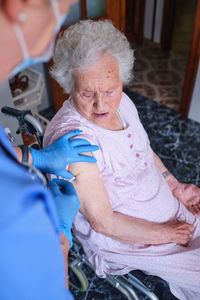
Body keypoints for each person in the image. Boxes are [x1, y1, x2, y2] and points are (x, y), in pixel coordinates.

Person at [44, 20, 200, 300]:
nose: (101, 105)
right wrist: (169, 234)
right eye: (87, 93)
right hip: (136, 240)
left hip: (169, 209)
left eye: (109, 90)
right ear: (69, 84)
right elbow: (104, 223)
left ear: (120, 78)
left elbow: (143, 149)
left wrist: (174, 185)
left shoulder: (123, 102)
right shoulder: (76, 141)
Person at [0, 1, 99, 300]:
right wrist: (61, 234)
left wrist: (35, 157)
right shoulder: (13, 215)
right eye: (64, 7)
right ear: (19, 5)